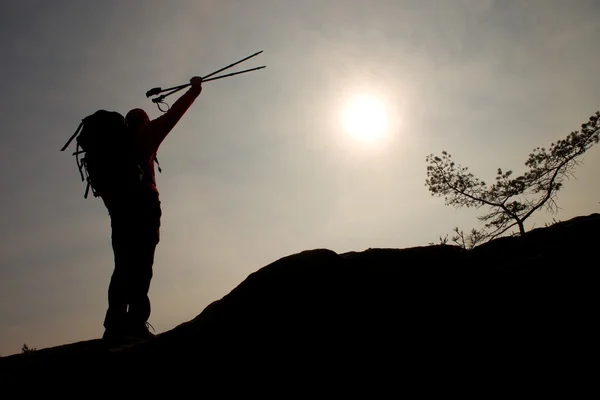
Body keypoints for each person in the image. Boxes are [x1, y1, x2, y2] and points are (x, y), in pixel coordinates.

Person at [101, 76, 203, 343]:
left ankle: (114, 325)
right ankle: (135, 323)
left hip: (120, 213)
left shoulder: (112, 152)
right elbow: (174, 115)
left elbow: (105, 190)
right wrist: (195, 89)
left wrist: (116, 210)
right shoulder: (145, 136)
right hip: (144, 208)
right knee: (142, 266)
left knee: (122, 265)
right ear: (143, 121)